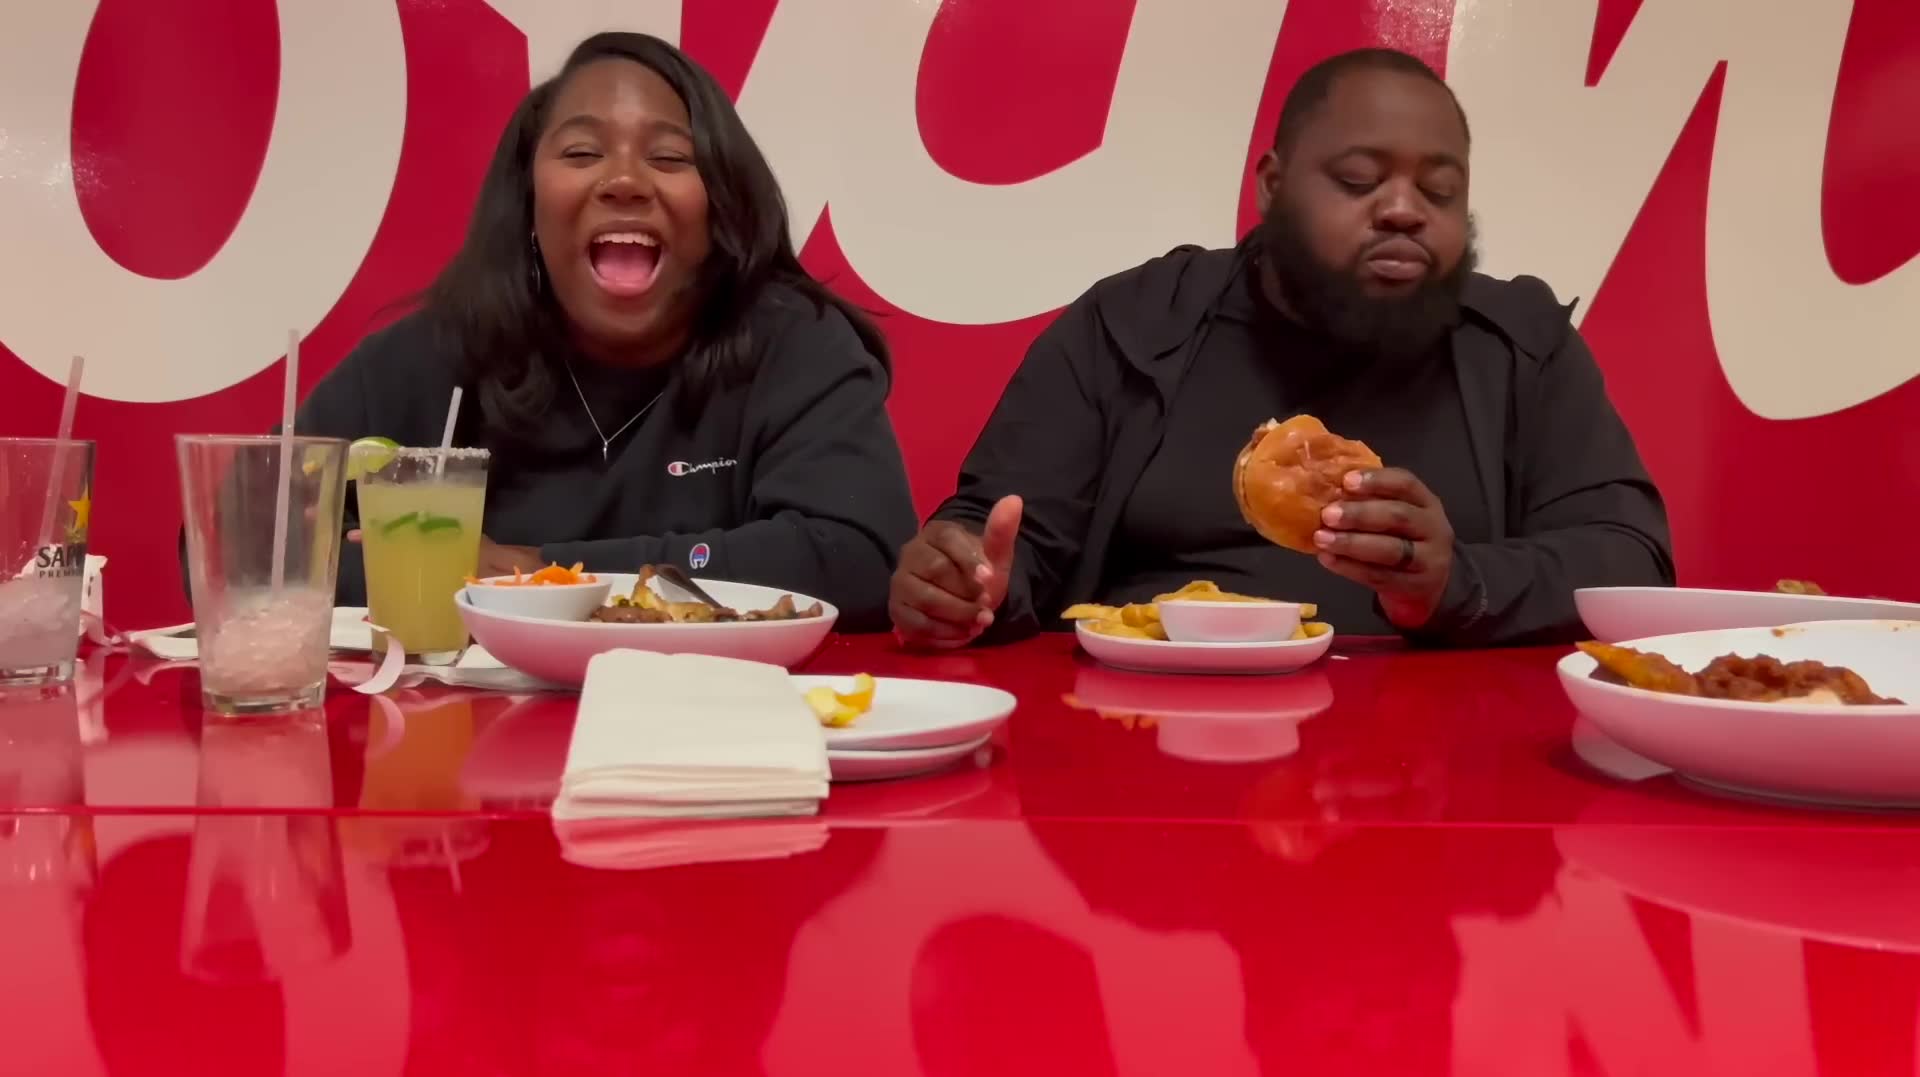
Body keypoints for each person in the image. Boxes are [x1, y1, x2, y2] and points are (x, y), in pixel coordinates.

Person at [890, 47, 1673, 648]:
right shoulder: (1131, 326)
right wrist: (965, 583)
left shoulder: (1520, 346)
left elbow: (1630, 563)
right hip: (1151, 737)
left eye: (1440, 191)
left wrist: (1454, 583)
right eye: (1360, 179)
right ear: (1273, 184)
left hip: (1431, 766)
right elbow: (1005, 541)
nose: (1402, 210)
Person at [289, 32, 915, 629]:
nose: (623, 182)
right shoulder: (434, 356)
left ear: (720, 207)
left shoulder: (794, 343)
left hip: (719, 725)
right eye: (582, 153)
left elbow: (857, 558)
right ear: (530, 202)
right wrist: (423, 569)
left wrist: (545, 578)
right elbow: (258, 551)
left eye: (669, 157)